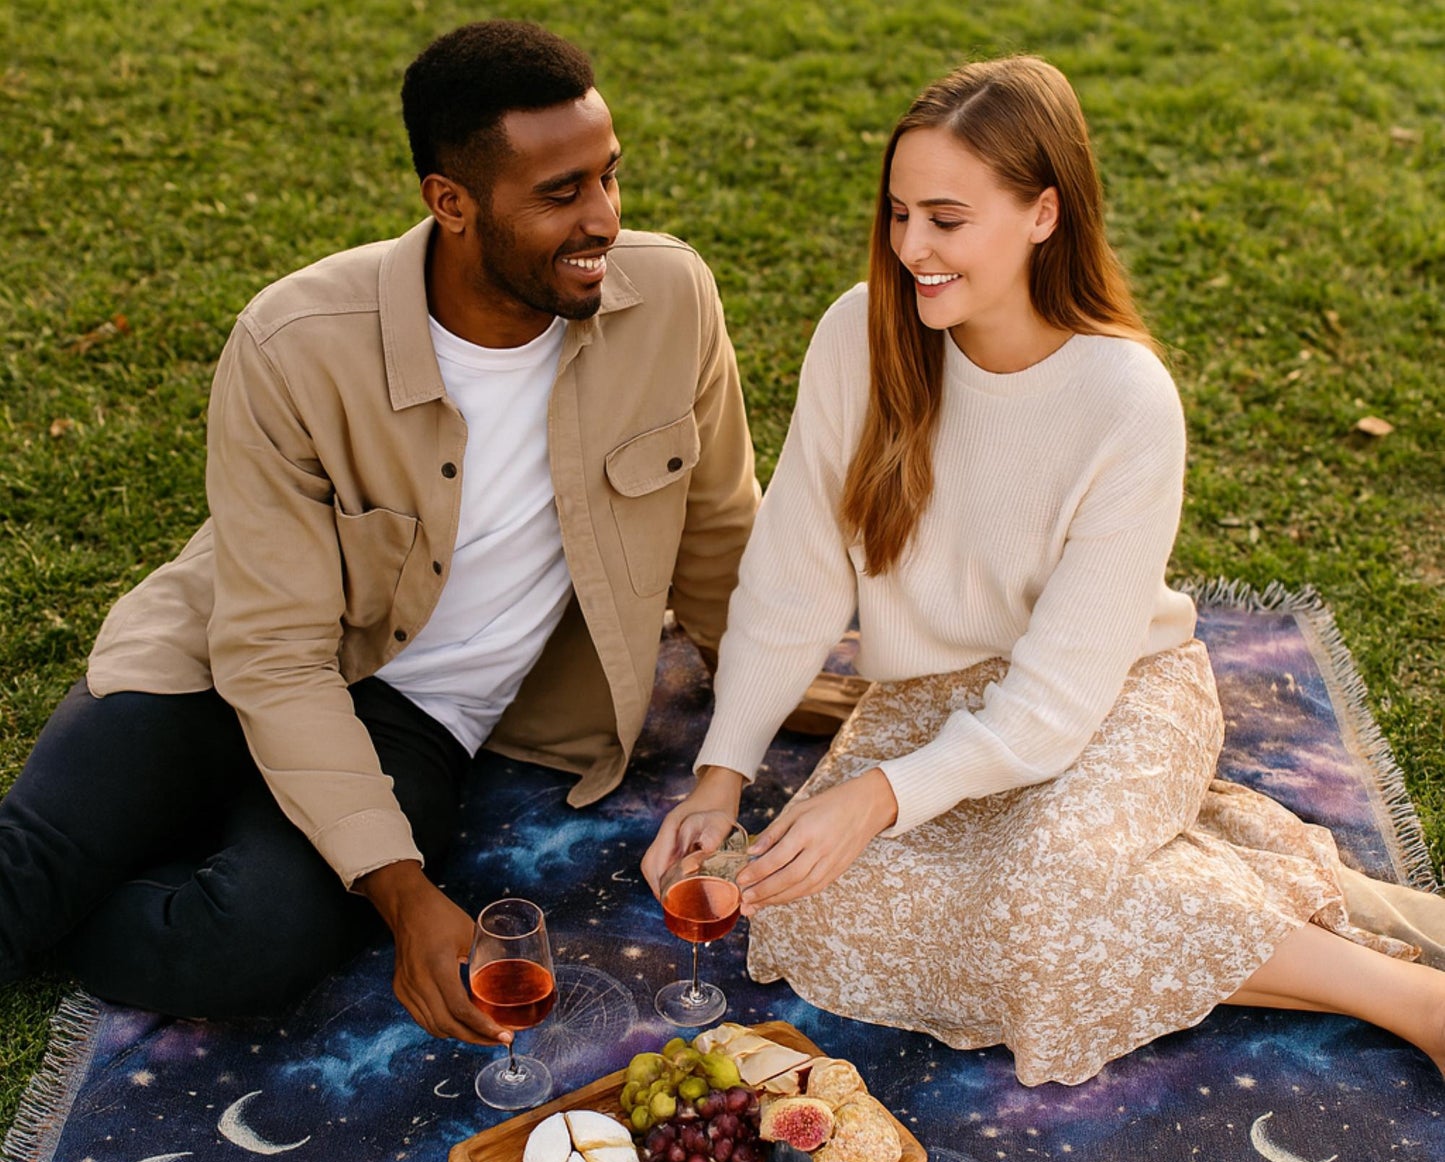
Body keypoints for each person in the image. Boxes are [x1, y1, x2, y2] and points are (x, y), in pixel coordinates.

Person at [643, 55, 1445, 1088]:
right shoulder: (860, 334)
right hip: (929, 702)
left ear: (1041, 213)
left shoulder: (1125, 399)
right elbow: (793, 578)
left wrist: (877, 799)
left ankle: (1409, 998)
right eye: (897, 214)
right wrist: (722, 773)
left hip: (1111, 694)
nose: (910, 249)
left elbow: (1054, 701)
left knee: (1048, 896)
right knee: (807, 910)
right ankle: (1212, 866)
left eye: (944, 218)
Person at [0, 20, 758, 1045]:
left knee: (252, 943)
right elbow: (270, 653)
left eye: (608, 177)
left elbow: (717, 534)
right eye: (560, 193)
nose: (604, 220)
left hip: (414, 718)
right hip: (222, 662)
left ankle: (116, 881)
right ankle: (95, 859)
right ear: (449, 202)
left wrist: (777, 706)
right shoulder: (293, 342)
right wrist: (403, 897)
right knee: (28, 865)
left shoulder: (669, 300)